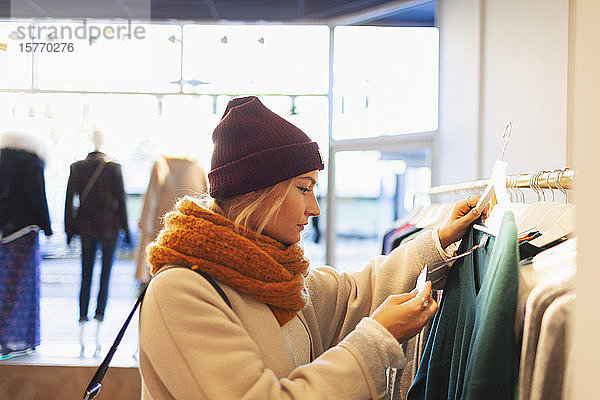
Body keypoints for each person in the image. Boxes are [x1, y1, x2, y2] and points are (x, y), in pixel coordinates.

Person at [138, 96, 488, 399]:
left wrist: (440, 239)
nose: (314, 208)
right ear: (259, 190)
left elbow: (355, 291)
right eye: (304, 188)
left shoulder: (276, 278)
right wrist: (378, 339)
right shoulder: (181, 292)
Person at [64, 130, 130, 357]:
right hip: (110, 228)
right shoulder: (113, 168)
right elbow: (121, 200)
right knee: (105, 277)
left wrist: (69, 231)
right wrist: (127, 231)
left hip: (86, 227)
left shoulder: (77, 167)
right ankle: (98, 325)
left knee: (86, 275)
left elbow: (69, 202)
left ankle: (83, 322)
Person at [0, 130, 52, 358]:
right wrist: (48, 228)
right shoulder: (32, 163)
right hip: (23, 233)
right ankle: (20, 340)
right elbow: (37, 197)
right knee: (23, 288)